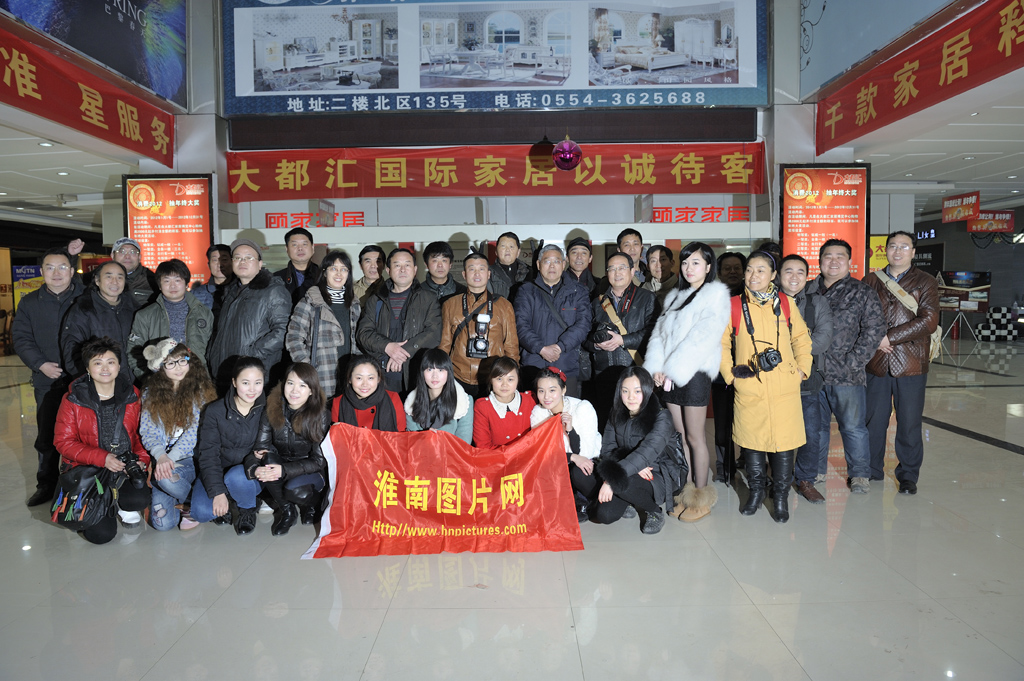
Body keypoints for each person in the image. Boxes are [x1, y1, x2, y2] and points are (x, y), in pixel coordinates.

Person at [720, 251, 813, 523]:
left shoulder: (785, 303)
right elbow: (720, 344)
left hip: (785, 384)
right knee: (752, 443)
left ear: (773, 275)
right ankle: (756, 492)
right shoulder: (733, 305)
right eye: (749, 270)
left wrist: (802, 370)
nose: (753, 275)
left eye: (761, 270)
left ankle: (780, 497)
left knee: (784, 444)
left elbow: (801, 338)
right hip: (750, 384)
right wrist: (731, 376)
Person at [644, 241, 730, 522]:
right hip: (670, 376)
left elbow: (702, 339)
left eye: (696, 262)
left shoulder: (716, 296)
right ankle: (687, 490)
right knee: (680, 438)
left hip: (693, 375)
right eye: (685, 262)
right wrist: (656, 368)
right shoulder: (674, 297)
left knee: (695, 437)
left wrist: (671, 369)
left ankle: (701, 497)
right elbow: (659, 336)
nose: (689, 268)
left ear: (708, 266)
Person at [805, 239, 886, 494]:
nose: (834, 261)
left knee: (853, 428)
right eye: (828, 256)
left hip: (846, 375)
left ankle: (859, 475)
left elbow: (874, 329)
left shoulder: (862, 292)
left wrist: (853, 362)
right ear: (820, 261)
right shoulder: (807, 290)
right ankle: (816, 470)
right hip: (811, 373)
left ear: (849, 261)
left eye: (840, 256)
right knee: (815, 428)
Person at [52, 337, 150, 544]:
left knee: (139, 498)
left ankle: (120, 503)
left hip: (123, 466)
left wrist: (141, 460)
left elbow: (141, 435)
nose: (105, 368)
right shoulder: (73, 399)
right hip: (89, 469)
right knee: (101, 536)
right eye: (98, 363)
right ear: (88, 368)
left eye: (111, 362)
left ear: (119, 366)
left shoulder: (133, 395)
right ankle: (107, 503)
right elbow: (63, 442)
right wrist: (102, 458)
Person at [863, 231, 940, 495]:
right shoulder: (871, 280)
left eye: (904, 247)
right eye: (893, 246)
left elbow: (929, 320)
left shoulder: (926, 281)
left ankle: (908, 476)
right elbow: (861, 316)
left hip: (911, 363)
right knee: (873, 421)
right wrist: (875, 339)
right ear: (885, 250)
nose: (898, 251)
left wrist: (889, 338)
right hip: (876, 362)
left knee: (909, 422)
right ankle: (870, 470)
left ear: (913, 252)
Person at [13, 247, 85, 506]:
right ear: (41, 271)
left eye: (62, 267)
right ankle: (46, 485)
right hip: (47, 380)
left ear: (71, 271)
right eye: (50, 267)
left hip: (82, 379)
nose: (56, 273)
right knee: (47, 436)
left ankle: (83, 483)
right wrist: (40, 364)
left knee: (85, 434)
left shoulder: (85, 298)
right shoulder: (30, 302)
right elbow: (21, 338)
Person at [139, 339, 218, 531]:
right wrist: (161, 457)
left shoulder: (200, 391)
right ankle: (188, 500)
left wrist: (169, 459)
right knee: (162, 524)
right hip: (162, 459)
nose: (178, 367)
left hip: (189, 459)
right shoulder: (150, 393)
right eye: (171, 363)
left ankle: (201, 503)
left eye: (183, 360)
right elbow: (147, 431)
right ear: (160, 367)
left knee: (165, 479)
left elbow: (194, 433)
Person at [592, 367, 679, 533]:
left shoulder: (662, 417)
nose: (630, 397)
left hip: (657, 472)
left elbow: (646, 454)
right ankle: (630, 500)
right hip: (629, 468)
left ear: (648, 390)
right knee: (605, 515)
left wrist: (611, 479)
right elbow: (607, 449)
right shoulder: (616, 412)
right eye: (625, 391)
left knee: (624, 483)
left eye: (637, 391)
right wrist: (632, 466)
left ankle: (654, 511)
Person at [246, 363, 330, 535]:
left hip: (311, 471)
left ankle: (311, 505)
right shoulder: (272, 408)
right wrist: (255, 468)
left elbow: (319, 461)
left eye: (302, 385)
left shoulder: (320, 415)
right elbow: (260, 448)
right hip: (280, 465)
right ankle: (288, 511)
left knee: (297, 492)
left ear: (311, 390)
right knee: (267, 459)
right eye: (290, 383)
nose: (294, 390)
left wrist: (283, 470)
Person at [780, 254, 835, 504]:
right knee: (775, 430)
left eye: (800, 272)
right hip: (774, 379)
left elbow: (822, 340)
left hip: (807, 378)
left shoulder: (817, 302)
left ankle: (805, 480)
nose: (794, 277)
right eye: (788, 271)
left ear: (807, 276)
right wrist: (802, 341)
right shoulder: (767, 302)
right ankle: (778, 478)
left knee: (811, 433)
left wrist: (787, 348)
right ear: (778, 276)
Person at [193, 356, 267, 534]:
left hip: (250, 474)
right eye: (245, 383)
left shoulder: (268, 409)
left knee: (236, 477)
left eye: (257, 382)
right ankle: (228, 495)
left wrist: (265, 455)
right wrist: (217, 492)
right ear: (234, 382)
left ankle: (247, 509)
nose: (252, 389)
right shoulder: (215, 411)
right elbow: (208, 454)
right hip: (218, 469)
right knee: (201, 512)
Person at [206, 238, 291, 389]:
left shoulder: (273, 290)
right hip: (224, 373)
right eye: (237, 258)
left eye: (249, 258)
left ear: (260, 263)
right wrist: (212, 356)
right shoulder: (231, 292)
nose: (242, 261)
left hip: (254, 375)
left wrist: (252, 354)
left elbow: (283, 330)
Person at [355, 248, 442, 393]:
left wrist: (402, 352)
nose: (402, 269)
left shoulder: (429, 299)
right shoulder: (375, 300)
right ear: (388, 270)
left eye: (407, 265)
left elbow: (434, 333)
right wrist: (388, 347)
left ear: (415, 269)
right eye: (397, 265)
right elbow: (363, 333)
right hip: (382, 374)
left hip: (416, 374)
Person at [586, 252, 657, 429]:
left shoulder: (647, 298)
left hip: (636, 373)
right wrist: (596, 344)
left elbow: (654, 333)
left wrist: (622, 340)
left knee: (637, 426)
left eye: (622, 268)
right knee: (606, 424)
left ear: (632, 271)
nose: (617, 273)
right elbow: (585, 338)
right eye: (612, 269)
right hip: (604, 374)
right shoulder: (597, 303)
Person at [513, 243, 592, 396]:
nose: (552, 266)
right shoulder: (526, 291)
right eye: (547, 261)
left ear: (563, 264)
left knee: (567, 409)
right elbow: (520, 325)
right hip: (534, 366)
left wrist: (560, 347)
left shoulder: (578, 291)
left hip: (566, 365)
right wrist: (541, 348)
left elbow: (583, 324)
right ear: (538, 264)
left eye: (556, 261)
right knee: (534, 410)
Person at [439, 251, 519, 397]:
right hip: (458, 376)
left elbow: (511, 346)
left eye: (481, 269)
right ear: (464, 274)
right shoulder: (450, 304)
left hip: (494, 376)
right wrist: (440, 374)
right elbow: (445, 344)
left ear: (488, 274)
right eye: (472, 269)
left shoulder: (504, 305)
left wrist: (512, 378)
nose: (477, 273)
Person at [286, 250, 362, 398]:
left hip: (350, 375)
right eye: (333, 268)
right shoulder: (310, 302)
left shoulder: (354, 304)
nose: (339, 273)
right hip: (321, 376)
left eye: (344, 269)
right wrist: (307, 368)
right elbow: (293, 338)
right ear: (325, 272)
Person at [530, 367, 600, 521]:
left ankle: (587, 500)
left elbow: (585, 454)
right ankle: (568, 500)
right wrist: (572, 457)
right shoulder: (538, 412)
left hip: (587, 464)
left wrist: (570, 430)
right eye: (541, 391)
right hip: (561, 462)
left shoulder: (582, 408)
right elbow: (542, 452)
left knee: (578, 472)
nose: (546, 397)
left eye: (552, 390)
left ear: (563, 390)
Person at [127, 258, 213, 377]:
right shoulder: (145, 315)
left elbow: (212, 351)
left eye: (177, 280)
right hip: (161, 381)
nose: (172, 285)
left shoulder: (204, 313)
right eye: (166, 281)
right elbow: (134, 352)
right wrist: (149, 379)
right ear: (159, 285)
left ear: (186, 283)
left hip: (197, 379)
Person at [61, 260, 135, 383]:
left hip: (132, 382)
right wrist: (90, 381)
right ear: (97, 280)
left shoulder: (133, 309)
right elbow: (72, 352)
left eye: (120, 277)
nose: (115, 282)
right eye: (108, 276)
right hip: (100, 382)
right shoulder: (83, 310)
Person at [711, 251, 747, 482]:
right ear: (719, 273)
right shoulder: (712, 298)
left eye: (737, 268)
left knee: (750, 420)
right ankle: (725, 468)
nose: (732, 272)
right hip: (720, 372)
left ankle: (750, 463)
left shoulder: (752, 296)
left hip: (749, 370)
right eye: (727, 268)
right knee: (722, 425)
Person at [404, 349, 474, 443]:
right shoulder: (411, 403)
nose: (435, 376)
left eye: (440, 370)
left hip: (452, 451)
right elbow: (410, 439)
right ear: (422, 372)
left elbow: (464, 442)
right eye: (429, 369)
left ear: (449, 372)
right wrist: (424, 436)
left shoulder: (464, 402)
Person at [472, 357, 536, 449]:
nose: (504, 385)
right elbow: (483, 446)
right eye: (499, 379)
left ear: (518, 380)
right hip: (496, 456)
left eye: (510, 379)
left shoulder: (530, 399)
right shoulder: (483, 406)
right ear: (491, 380)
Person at [331, 355, 407, 431]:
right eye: (359, 378)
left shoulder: (392, 398)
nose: (365, 384)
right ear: (349, 379)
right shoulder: (338, 402)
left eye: (370, 378)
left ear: (378, 379)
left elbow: (402, 434)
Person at [274, 227, 321, 307]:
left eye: (304, 244)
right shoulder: (276, 279)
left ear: (312, 247)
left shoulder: (324, 276)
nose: (300, 248)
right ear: (287, 249)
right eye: (294, 245)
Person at [110, 237, 157, 307]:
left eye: (133, 252)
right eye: (122, 252)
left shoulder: (152, 281)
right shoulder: (101, 279)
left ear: (139, 257)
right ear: (112, 255)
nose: (127, 256)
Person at [490, 231, 529, 301]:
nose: (507, 250)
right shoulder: (487, 273)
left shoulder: (528, 272)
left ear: (518, 252)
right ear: (496, 251)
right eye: (503, 246)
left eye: (511, 246)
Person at [192, 244, 232, 312]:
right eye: (215, 260)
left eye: (224, 259)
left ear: (232, 262)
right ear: (209, 265)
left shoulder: (241, 291)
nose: (219, 264)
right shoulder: (195, 294)